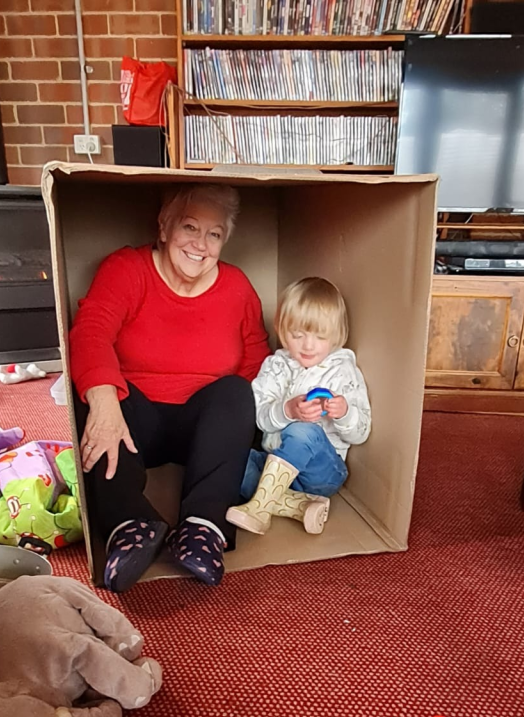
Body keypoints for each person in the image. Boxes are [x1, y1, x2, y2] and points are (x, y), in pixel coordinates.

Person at [69, 184, 271, 592]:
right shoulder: (127, 269)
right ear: (164, 227)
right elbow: (91, 333)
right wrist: (103, 400)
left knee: (237, 391)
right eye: (189, 227)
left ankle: (203, 528)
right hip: (136, 418)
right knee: (100, 391)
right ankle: (129, 526)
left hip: (204, 429)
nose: (200, 244)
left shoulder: (237, 287)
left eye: (214, 234)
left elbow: (257, 364)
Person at [226, 277, 371, 536]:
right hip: (272, 464)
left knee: (303, 430)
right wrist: (287, 410)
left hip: (322, 473)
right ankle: (299, 506)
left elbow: (361, 433)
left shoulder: (343, 371)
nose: (308, 345)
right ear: (282, 329)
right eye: (297, 335)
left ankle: (260, 509)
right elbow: (258, 417)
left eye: (320, 336)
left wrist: (345, 413)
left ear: (337, 335)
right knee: (228, 460)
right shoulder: (276, 365)